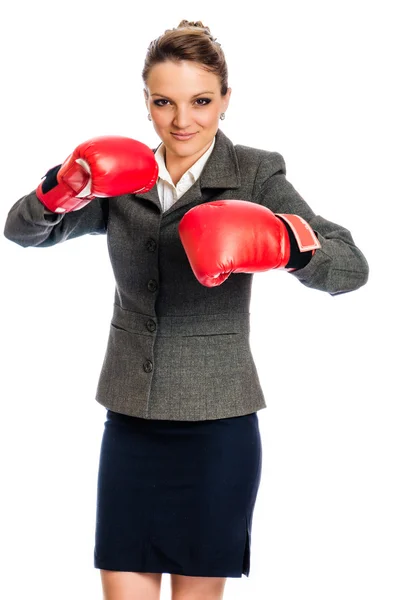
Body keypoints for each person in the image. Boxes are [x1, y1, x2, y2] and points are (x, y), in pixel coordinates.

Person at [3, 19, 369, 600]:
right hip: (130, 422)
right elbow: (21, 232)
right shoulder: (121, 175)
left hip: (216, 428)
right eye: (163, 102)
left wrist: (283, 241)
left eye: (200, 101)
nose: (181, 120)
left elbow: (352, 267)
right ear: (145, 102)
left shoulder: (253, 172)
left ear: (226, 99)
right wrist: (62, 186)